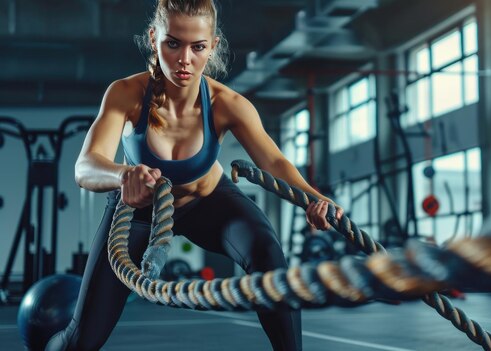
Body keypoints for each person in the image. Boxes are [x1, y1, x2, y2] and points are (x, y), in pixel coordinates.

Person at [46, 1, 342, 350]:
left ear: (213, 46)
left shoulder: (227, 103)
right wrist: (124, 175)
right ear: (154, 38)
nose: (184, 58)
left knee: (267, 251)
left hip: (208, 203)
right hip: (139, 209)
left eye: (197, 47)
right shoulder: (127, 94)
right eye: (173, 43)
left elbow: (274, 162)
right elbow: (86, 166)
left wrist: (313, 196)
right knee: (82, 340)